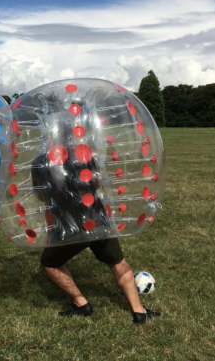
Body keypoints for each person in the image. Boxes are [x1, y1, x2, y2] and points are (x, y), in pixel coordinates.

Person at [31, 120, 160, 325]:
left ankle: (81, 304)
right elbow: (96, 182)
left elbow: (41, 197)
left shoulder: (40, 163)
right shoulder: (84, 154)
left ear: (49, 137)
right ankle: (139, 311)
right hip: (98, 221)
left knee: (50, 263)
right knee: (119, 264)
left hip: (70, 230)